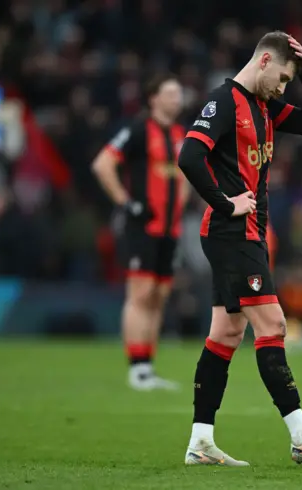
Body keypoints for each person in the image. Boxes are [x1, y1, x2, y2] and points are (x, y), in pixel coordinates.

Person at [178, 31, 302, 466]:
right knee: (273, 324)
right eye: (281, 78)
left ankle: (200, 443)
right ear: (262, 62)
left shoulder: (263, 107)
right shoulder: (224, 103)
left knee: (226, 333)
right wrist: (226, 202)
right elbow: (188, 156)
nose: (282, 88)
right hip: (232, 231)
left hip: (245, 232)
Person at [92, 75, 189, 391]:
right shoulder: (137, 129)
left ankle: (148, 366)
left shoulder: (180, 134)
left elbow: (188, 175)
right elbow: (103, 164)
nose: (177, 98)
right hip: (142, 228)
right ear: (153, 98)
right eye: (170, 93)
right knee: (140, 294)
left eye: (179, 93)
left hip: (170, 229)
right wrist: (126, 203)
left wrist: (180, 205)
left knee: (159, 297)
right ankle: (137, 368)